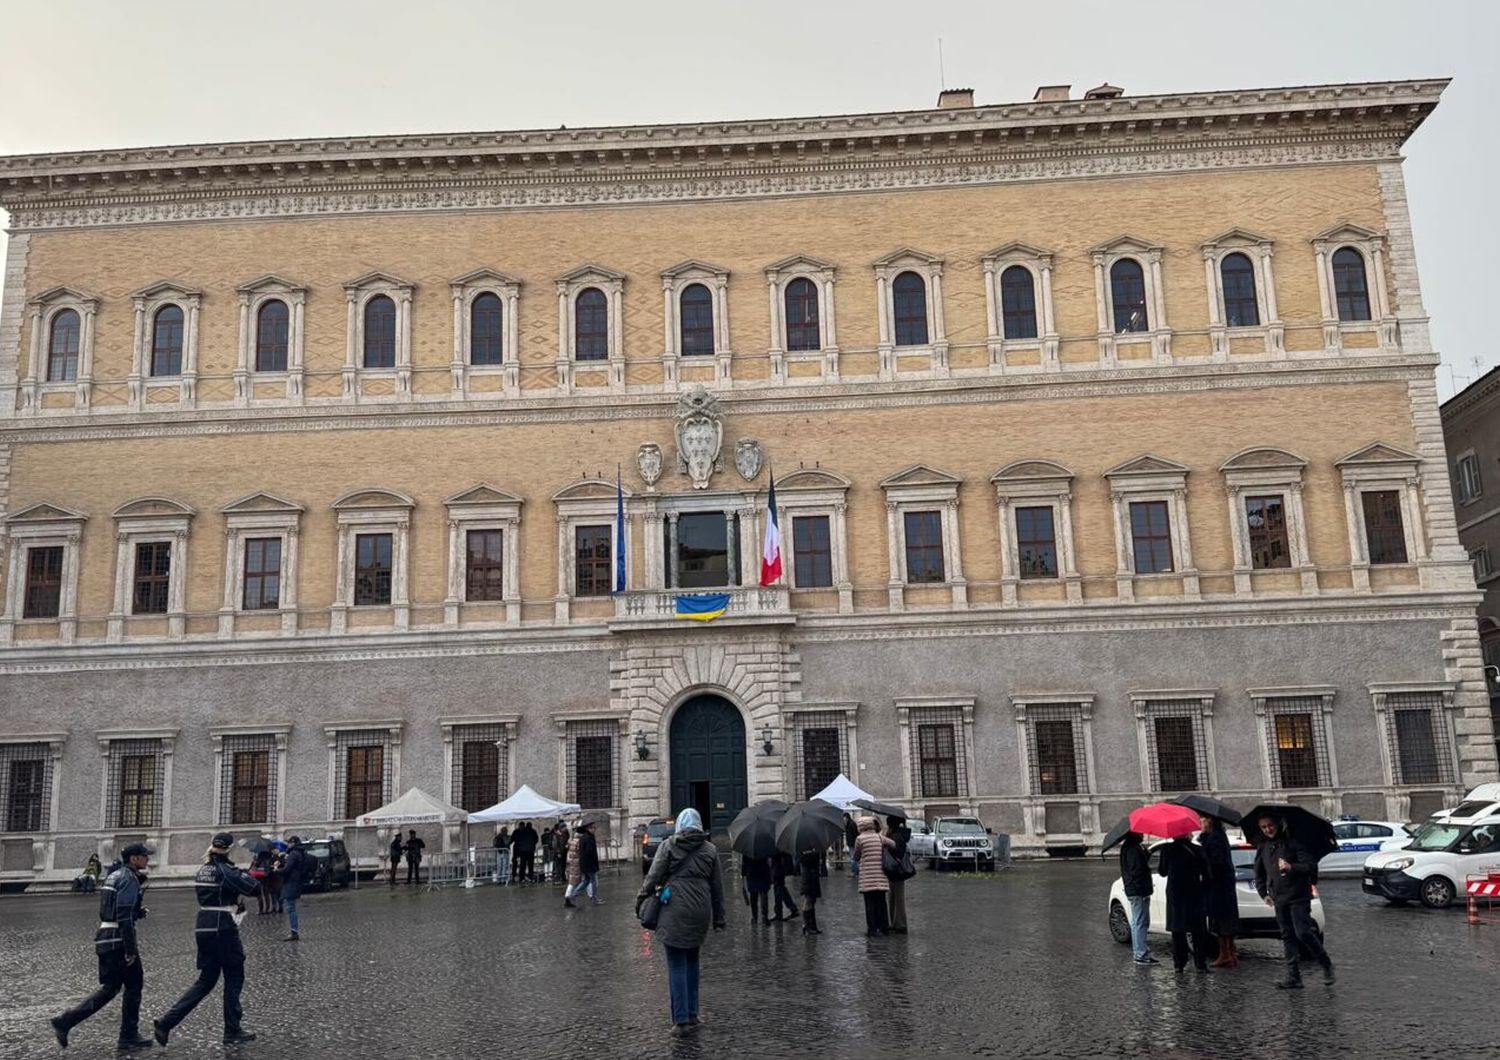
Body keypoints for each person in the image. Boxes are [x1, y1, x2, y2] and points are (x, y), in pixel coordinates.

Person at [152, 832, 261, 1046]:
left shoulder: (204, 870)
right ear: (229, 849)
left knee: (206, 981)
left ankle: (166, 1022)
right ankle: (232, 1029)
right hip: (223, 927)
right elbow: (254, 889)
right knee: (234, 977)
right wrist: (248, 874)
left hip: (203, 925)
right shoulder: (225, 870)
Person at [51, 842, 155, 1049]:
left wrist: (137, 912)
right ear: (134, 859)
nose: (148, 859)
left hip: (105, 937)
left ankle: (67, 1021)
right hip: (118, 940)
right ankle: (128, 1036)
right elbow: (124, 916)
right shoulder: (128, 878)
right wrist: (131, 949)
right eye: (144, 856)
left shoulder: (114, 876)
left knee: (110, 989)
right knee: (133, 986)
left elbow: (114, 909)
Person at [635, 808, 725, 1037]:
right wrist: (719, 917)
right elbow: (717, 887)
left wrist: (641, 900)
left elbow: (652, 877)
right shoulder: (711, 849)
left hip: (674, 907)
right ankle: (693, 1014)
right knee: (692, 962)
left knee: (676, 964)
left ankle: (681, 1020)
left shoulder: (668, 846)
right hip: (700, 910)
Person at [1254, 813, 1334, 989]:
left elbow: (1310, 866)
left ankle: (1325, 962)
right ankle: (1294, 977)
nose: (1268, 830)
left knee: (1303, 932)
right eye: (1263, 827)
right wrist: (1263, 893)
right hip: (1279, 898)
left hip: (1299, 896)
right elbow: (1259, 872)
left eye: (1270, 825)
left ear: (1278, 824)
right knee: (1287, 936)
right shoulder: (1264, 846)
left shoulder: (1294, 843)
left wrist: (1291, 867)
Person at [1158, 835, 1209, 973]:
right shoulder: (1197, 849)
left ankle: (1179, 964)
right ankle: (1200, 964)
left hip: (1175, 894)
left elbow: (1162, 872)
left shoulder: (1167, 849)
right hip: (1194, 892)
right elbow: (1206, 871)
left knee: (1177, 930)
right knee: (1197, 930)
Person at [1198, 814, 1240, 969]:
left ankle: (1226, 955)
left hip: (1218, 885)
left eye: (1202, 820)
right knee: (1223, 919)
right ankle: (1230, 952)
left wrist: (1203, 862)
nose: (1200, 823)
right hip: (1221, 885)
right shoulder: (1212, 837)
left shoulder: (1215, 839)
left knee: (1221, 919)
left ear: (1210, 821)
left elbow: (1216, 863)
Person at [1118, 831, 1156, 964]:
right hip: (1138, 891)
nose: (1143, 834)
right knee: (1141, 922)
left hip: (1133, 889)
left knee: (1137, 922)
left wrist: (1145, 855)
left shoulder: (1129, 847)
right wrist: (1144, 890)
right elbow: (1136, 870)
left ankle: (1140, 952)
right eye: (1140, 832)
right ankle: (1141, 954)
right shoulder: (1133, 848)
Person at [852, 816, 894, 936]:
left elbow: (856, 856)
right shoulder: (879, 837)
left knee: (870, 904)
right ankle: (884, 927)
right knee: (881, 903)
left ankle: (873, 929)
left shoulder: (860, 839)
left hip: (867, 877)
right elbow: (893, 844)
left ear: (861, 827)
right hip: (880, 876)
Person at [279, 835, 310, 941]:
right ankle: (294, 931)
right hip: (296, 881)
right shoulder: (300, 852)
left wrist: (276, 870)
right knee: (291, 906)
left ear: (293, 843)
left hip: (291, 882)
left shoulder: (293, 853)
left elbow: (287, 869)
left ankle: (294, 932)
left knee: (291, 908)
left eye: (289, 843)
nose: (288, 844)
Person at [887, 816, 912, 934]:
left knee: (898, 898)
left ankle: (900, 924)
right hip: (895, 871)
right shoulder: (897, 835)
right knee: (893, 898)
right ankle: (895, 922)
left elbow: (898, 851)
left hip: (896, 870)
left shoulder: (897, 836)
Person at [798, 843, 823, 936]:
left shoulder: (813, 846)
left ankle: (812, 925)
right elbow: (805, 861)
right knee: (808, 900)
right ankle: (806, 925)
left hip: (813, 876)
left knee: (812, 900)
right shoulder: (803, 850)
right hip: (808, 877)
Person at [742, 854, 771, 925]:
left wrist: (743, 873)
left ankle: (755, 917)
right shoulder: (764, 849)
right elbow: (768, 862)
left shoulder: (747, 851)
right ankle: (764, 917)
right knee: (764, 896)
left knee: (753, 897)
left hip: (752, 875)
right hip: (763, 874)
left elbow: (744, 864)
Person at [770, 850, 799, 922]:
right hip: (777, 869)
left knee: (780, 889)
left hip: (778, 869)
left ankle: (792, 908)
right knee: (778, 890)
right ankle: (779, 913)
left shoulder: (779, 846)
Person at [249, 847, 273, 914]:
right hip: (266, 877)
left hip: (258, 877)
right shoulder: (269, 858)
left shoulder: (259, 858)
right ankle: (267, 909)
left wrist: (254, 862)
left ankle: (261, 910)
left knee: (259, 894)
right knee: (266, 893)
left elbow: (253, 867)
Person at [842, 813, 859, 878]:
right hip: (850, 843)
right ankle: (855, 872)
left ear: (847, 817)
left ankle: (855, 872)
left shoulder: (851, 824)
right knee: (853, 858)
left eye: (844, 817)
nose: (843, 819)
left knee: (853, 858)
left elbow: (855, 834)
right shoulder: (848, 824)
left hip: (853, 843)